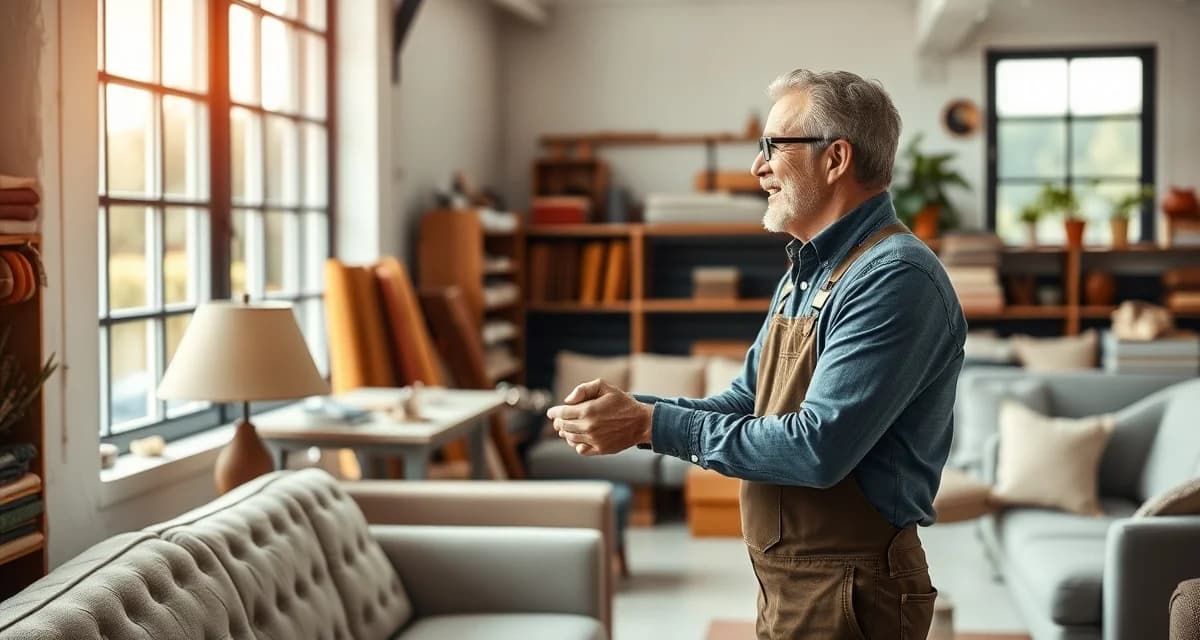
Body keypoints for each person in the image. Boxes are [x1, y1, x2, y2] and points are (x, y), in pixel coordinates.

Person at [546, 69, 967, 639]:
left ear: (835, 158)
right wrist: (633, 414)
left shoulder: (894, 276)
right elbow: (747, 401)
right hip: (792, 583)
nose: (758, 166)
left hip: (852, 593)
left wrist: (650, 423)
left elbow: (817, 448)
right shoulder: (807, 270)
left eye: (775, 145)